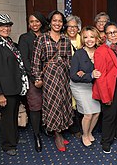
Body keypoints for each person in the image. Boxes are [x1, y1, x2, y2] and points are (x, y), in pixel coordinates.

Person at [31, 10, 73, 152]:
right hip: (49, 77)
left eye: (60, 21)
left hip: (63, 76)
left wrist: (65, 65)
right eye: (54, 20)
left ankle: (60, 130)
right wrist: (38, 78)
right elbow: (36, 62)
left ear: (63, 24)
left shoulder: (66, 39)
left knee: (62, 103)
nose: (57, 23)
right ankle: (57, 135)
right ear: (50, 22)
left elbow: (69, 60)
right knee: (53, 104)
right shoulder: (42, 39)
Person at [0, 14, 29, 156]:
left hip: (15, 87)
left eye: (8, 25)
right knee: (7, 118)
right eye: (2, 25)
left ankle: (14, 138)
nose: (6, 28)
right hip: (4, 89)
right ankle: (8, 145)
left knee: (13, 115)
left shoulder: (8, 41)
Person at [93, 22, 117, 153]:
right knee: (109, 115)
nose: (113, 35)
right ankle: (106, 140)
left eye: (115, 32)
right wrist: (105, 96)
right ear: (106, 35)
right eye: (110, 33)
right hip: (110, 88)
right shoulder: (101, 51)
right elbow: (101, 77)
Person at [18, 11, 47, 153]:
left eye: (37, 21)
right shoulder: (24, 38)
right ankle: (36, 135)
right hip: (33, 79)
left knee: (46, 104)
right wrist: (36, 77)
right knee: (35, 106)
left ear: (41, 22)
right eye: (31, 22)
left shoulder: (46, 36)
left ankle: (46, 128)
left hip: (48, 77)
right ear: (28, 24)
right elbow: (25, 61)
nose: (34, 24)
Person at [70, 26, 102, 147]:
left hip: (93, 86)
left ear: (96, 38)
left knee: (97, 112)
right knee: (88, 114)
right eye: (86, 37)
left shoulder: (99, 52)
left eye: (92, 37)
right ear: (83, 39)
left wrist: (84, 74)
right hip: (79, 87)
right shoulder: (79, 54)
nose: (89, 40)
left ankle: (89, 132)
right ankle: (84, 135)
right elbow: (73, 75)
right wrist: (90, 75)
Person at [65, 15, 83, 138]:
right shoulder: (62, 39)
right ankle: (72, 127)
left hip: (81, 75)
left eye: (75, 27)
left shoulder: (82, 39)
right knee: (68, 101)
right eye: (69, 26)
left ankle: (80, 126)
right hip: (65, 75)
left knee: (80, 100)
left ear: (79, 28)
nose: (72, 29)